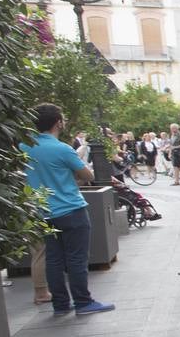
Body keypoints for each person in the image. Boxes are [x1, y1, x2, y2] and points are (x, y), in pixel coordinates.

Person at [20, 104, 115, 316]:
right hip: (70, 209)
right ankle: (82, 302)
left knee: (53, 258)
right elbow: (88, 176)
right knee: (76, 258)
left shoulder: (24, 147)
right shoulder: (62, 148)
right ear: (58, 123)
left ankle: (60, 304)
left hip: (41, 211)